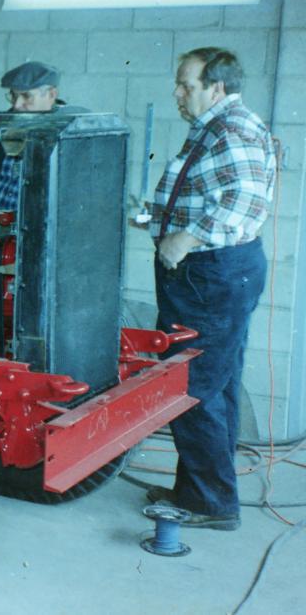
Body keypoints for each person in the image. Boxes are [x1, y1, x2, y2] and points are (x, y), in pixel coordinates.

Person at [144, 47, 276, 530]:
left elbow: (243, 197)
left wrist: (187, 235)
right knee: (214, 386)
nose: (178, 94)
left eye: (187, 85)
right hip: (218, 273)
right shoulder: (215, 127)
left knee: (191, 385)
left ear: (216, 87)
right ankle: (203, 491)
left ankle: (208, 502)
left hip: (210, 275)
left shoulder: (232, 128)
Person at [0, 61, 86, 210]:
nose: (17, 105)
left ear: (51, 95)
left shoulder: (69, 136)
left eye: (27, 96)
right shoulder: (0, 130)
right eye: (14, 96)